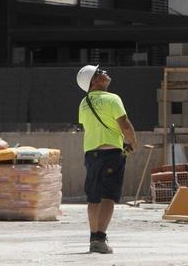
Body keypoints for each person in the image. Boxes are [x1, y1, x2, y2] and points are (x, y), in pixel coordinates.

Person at [76, 64, 137, 255]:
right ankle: (100, 239)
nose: (105, 73)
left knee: (93, 197)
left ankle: (93, 238)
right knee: (108, 197)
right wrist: (133, 142)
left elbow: (89, 127)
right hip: (111, 154)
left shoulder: (83, 103)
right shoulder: (113, 99)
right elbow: (125, 125)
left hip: (91, 155)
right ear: (94, 81)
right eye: (100, 72)